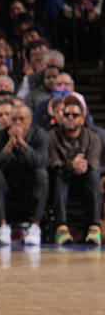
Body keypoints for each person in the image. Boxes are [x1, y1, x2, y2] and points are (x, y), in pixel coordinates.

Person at [0, 97, 49, 246]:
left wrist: (22, 145)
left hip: (28, 184)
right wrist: (9, 146)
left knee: (42, 174)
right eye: (14, 119)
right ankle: (2, 226)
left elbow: (41, 163)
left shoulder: (39, 134)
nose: (17, 123)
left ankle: (35, 227)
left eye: (22, 119)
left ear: (30, 120)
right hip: (6, 183)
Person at [46, 94, 101, 246]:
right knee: (59, 173)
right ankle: (62, 228)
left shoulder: (93, 137)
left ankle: (94, 227)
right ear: (61, 117)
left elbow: (93, 162)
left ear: (82, 118)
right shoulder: (52, 136)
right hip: (61, 183)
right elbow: (53, 161)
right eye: (66, 114)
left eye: (74, 115)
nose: (70, 117)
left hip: (85, 182)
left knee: (93, 175)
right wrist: (71, 165)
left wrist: (78, 165)